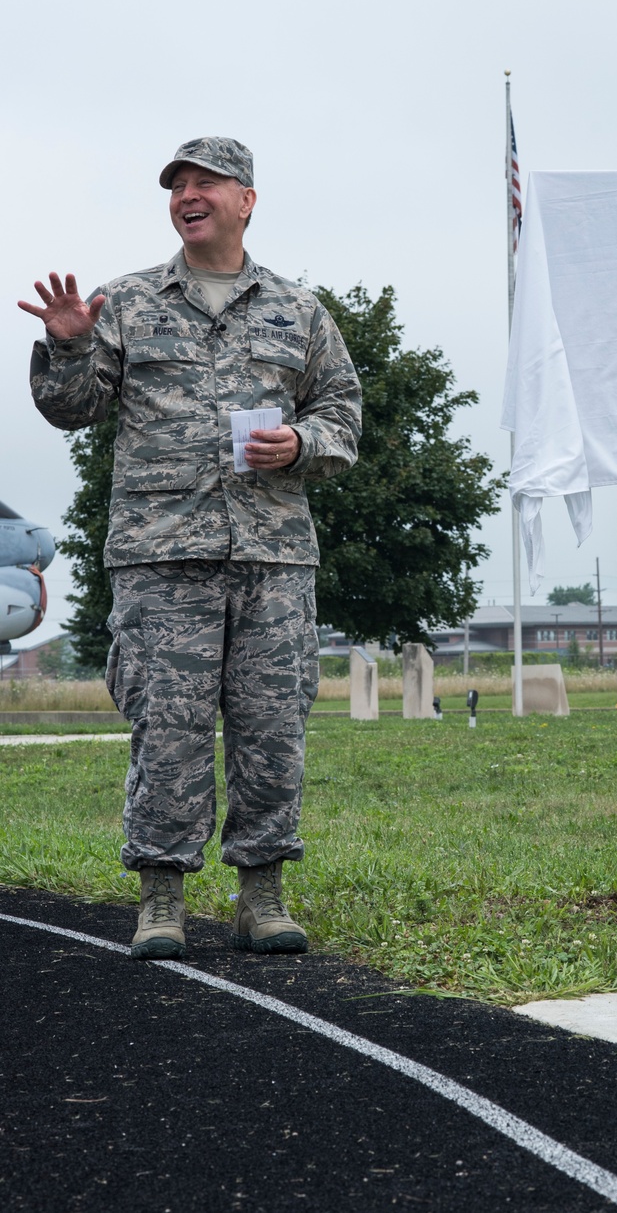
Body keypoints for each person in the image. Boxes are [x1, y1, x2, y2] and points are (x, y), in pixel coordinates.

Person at [20, 137, 362, 959]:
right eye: (177, 184)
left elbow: (344, 415)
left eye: (206, 182)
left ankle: (263, 897)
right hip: (160, 554)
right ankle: (162, 902)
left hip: (273, 556)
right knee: (167, 729)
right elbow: (72, 411)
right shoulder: (128, 302)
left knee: (272, 727)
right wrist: (69, 344)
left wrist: (302, 443)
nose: (188, 193)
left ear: (246, 200)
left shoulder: (298, 309)